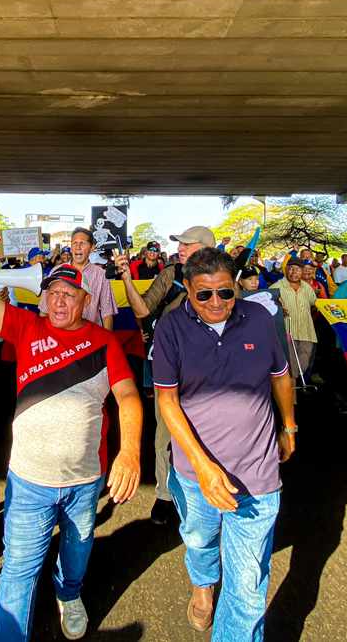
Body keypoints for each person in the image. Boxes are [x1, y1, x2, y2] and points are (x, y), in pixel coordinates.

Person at [0, 228, 142, 642]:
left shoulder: (104, 342)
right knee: (18, 567)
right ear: (43, 297)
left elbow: (128, 397)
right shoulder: (26, 327)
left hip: (84, 481)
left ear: (86, 300)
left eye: (70, 293)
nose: (59, 300)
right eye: (52, 292)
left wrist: (130, 453)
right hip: (29, 480)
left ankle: (68, 594)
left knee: (77, 550)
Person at [153, 248, 295, 637]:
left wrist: (289, 425)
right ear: (187, 289)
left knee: (248, 582)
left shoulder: (261, 320)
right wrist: (204, 467)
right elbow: (167, 401)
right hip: (194, 473)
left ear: (236, 287)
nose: (216, 303)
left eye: (225, 293)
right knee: (200, 541)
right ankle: (203, 585)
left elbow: (281, 375)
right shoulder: (169, 329)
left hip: (258, 474)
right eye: (204, 295)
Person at [116, 225, 215, 526]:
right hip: (168, 366)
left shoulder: (222, 278)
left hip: (207, 370)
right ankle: (165, 495)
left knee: (208, 431)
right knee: (165, 433)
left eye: (188, 244)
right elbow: (143, 309)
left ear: (206, 249)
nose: (181, 248)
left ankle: (206, 487)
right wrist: (126, 280)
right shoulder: (171, 274)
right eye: (180, 243)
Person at [37, 228, 117, 330]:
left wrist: (107, 341)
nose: (78, 247)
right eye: (74, 243)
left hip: (90, 336)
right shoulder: (56, 271)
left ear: (92, 248)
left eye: (82, 243)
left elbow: (107, 313)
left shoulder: (101, 275)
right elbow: (44, 309)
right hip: (61, 336)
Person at [271, 259, 319, 383]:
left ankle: (292, 388)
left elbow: (315, 304)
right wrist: (279, 309)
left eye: (297, 269)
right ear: (286, 269)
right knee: (290, 366)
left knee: (303, 364)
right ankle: (291, 398)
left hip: (306, 332)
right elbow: (268, 306)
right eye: (291, 268)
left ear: (302, 271)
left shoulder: (307, 287)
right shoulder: (276, 287)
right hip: (287, 333)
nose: (293, 272)